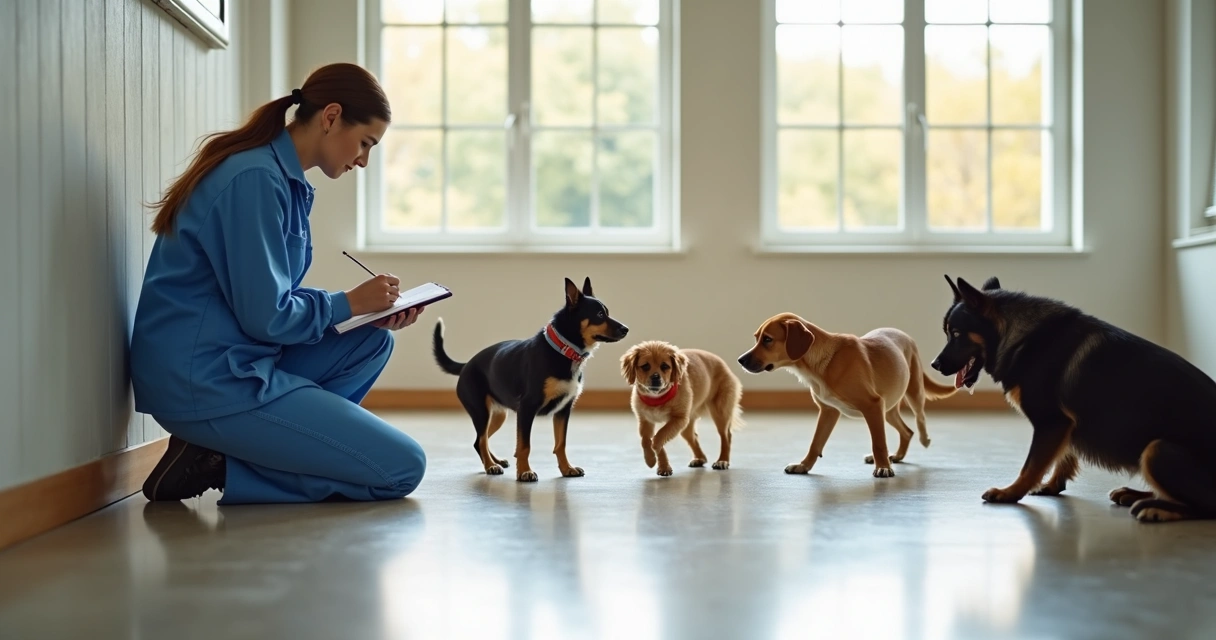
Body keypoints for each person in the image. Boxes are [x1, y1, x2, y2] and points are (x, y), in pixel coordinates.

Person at [131, 62, 427, 504]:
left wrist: (364, 310)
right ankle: (226, 463)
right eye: (365, 143)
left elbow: (264, 298)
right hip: (206, 379)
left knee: (372, 341)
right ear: (330, 117)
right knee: (403, 468)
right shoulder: (255, 179)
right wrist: (347, 303)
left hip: (236, 359)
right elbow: (267, 317)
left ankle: (235, 446)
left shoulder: (282, 180)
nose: (364, 160)